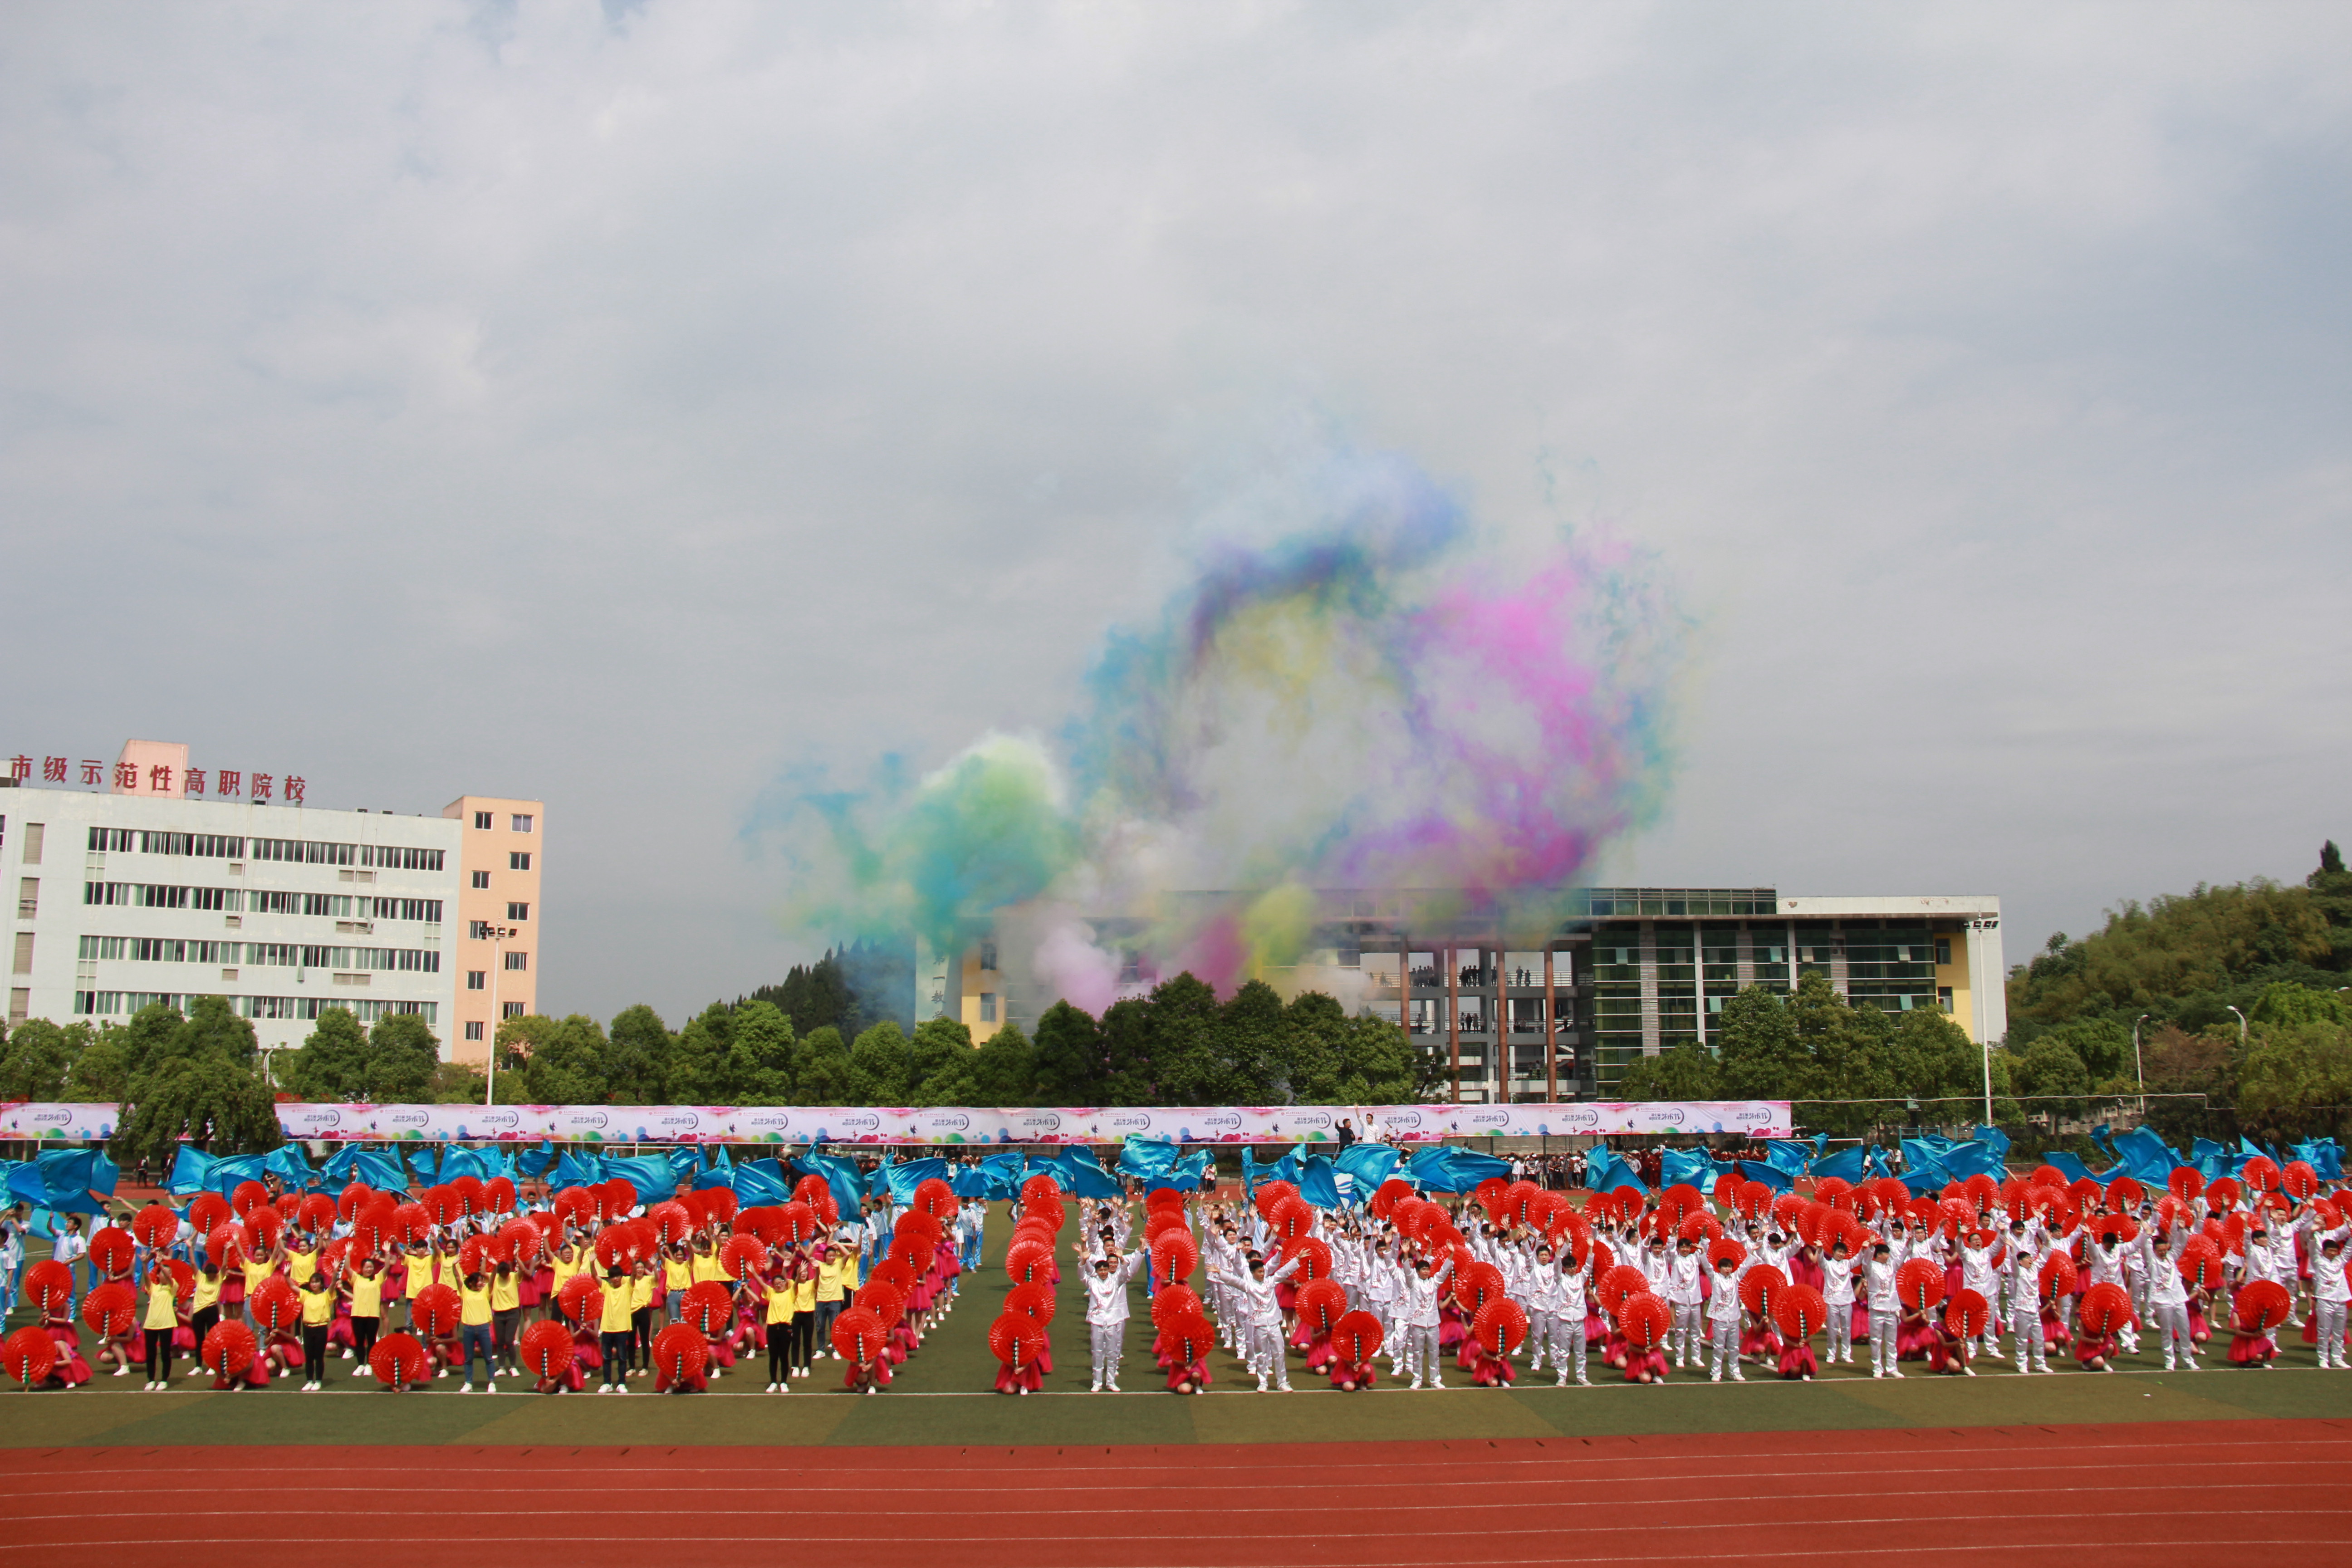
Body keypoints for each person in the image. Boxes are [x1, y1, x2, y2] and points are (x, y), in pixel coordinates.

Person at [1078, 1240, 1145, 1393]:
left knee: (1113, 1352)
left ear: (1108, 1270)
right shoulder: (1092, 1282)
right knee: (1097, 1351)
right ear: (1097, 1271)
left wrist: (1122, 1259)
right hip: (1097, 1320)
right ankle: (1097, 1382)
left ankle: (1111, 1382)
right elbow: (1082, 1275)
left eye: (1105, 1270)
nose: (1103, 1272)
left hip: (1113, 1319)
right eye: (1100, 1270)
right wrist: (1083, 1260)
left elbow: (1125, 1273)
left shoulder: (1116, 1281)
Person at [597, 1267, 636, 1393]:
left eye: (617, 1276)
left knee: (622, 1358)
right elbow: (594, 1276)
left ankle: (621, 1383)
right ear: (610, 1279)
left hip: (622, 1328)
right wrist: (592, 1263)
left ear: (621, 1277)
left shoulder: (627, 1288)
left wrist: (633, 1261)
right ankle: (607, 1383)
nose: (615, 1279)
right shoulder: (606, 1288)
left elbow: (634, 1274)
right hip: (607, 1328)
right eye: (613, 1277)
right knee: (606, 1358)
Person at [760, 1262, 796, 1394]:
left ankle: (784, 1382)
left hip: (786, 1328)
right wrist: (753, 1273)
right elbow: (762, 1284)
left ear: (785, 1283)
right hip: (773, 1328)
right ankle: (774, 1382)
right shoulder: (772, 1293)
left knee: (784, 1356)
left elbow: (796, 1283)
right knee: (773, 1357)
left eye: (780, 1283)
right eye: (776, 1284)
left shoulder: (791, 1293)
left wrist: (785, 1268)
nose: (778, 1285)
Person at [141, 1261, 178, 1390]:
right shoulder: (154, 1288)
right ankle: (151, 1380)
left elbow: (170, 1279)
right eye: (162, 1273)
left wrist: (160, 1265)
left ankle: (164, 1380)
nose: (166, 1275)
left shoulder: (172, 1288)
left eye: (168, 1273)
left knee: (165, 1353)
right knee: (151, 1354)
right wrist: (145, 1264)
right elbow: (146, 1278)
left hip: (167, 1324)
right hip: (151, 1325)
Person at [297, 1269, 334, 1391]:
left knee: (319, 1357)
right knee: (309, 1357)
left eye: (317, 1282)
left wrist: (334, 1271)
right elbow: (292, 1287)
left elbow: (333, 1283)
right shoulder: (306, 1295)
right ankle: (309, 1381)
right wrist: (286, 1274)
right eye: (312, 1282)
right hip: (307, 1328)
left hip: (321, 1328)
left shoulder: (326, 1295)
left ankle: (318, 1380)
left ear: (322, 1284)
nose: (314, 1284)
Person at [348, 1255, 384, 1370]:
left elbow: (387, 1267)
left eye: (371, 1267)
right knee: (359, 1341)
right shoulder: (356, 1279)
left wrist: (387, 1254)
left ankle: (369, 1364)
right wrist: (348, 1253)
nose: (369, 1270)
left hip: (372, 1315)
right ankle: (360, 1364)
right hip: (357, 1315)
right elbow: (347, 1268)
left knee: (371, 1340)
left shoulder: (378, 1279)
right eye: (367, 1267)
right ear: (362, 1269)